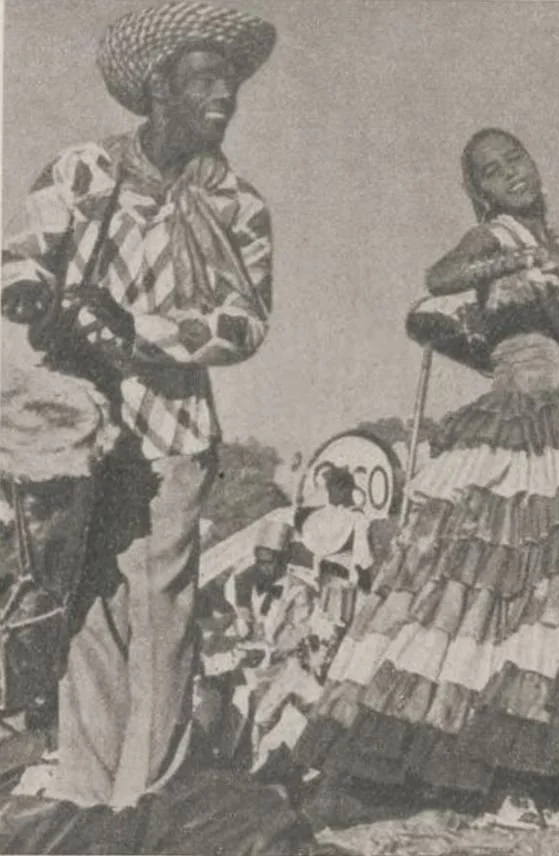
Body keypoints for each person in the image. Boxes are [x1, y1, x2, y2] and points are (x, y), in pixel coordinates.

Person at [294, 128, 559, 819]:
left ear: (535, 163)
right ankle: (454, 758)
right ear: (482, 192)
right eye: (494, 172)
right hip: (516, 422)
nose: (511, 175)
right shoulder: (493, 239)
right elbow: (439, 278)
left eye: (516, 160)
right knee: (480, 587)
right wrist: (526, 259)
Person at [1, 1, 275, 810]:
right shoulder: (83, 169)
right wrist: (32, 294)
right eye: (205, 79)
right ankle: (89, 796)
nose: (224, 94)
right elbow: (22, 253)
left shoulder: (238, 204)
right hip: (79, 424)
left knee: (162, 611)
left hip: (174, 426)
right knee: (84, 603)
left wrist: (138, 329)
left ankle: (146, 797)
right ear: (160, 88)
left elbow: (245, 323)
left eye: (230, 82)